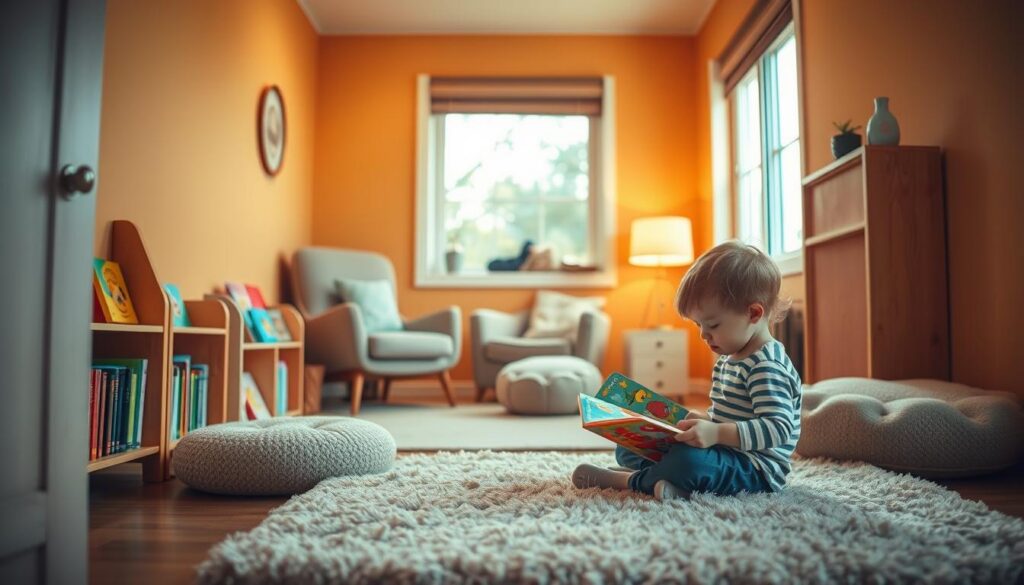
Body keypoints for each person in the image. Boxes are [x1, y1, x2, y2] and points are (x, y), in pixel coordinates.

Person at [572, 241, 802, 501]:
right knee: (631, 445)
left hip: (754, 470)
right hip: (723, 450)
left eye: (712, 324)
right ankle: (670, 483)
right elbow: (729, 415)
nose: (704, 334)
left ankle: (628, 481)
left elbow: (777, 428)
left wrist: (715, 433)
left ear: (753, 313)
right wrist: (702, 421)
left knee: (687, 461)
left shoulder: (766, 366)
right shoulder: (730, 357)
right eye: (698, 325)